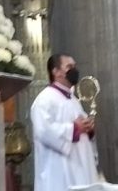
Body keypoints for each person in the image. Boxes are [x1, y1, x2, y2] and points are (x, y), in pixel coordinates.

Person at [31, 53, 98, 191]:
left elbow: (81, 127)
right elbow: (44, 131)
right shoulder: (44, 100)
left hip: (79, 166)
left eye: (75, 66)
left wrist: (88, 127)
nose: (74, 70)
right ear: (55, 72)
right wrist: (74, 129)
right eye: (69, 66)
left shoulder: (72, 100)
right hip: (58, 172)